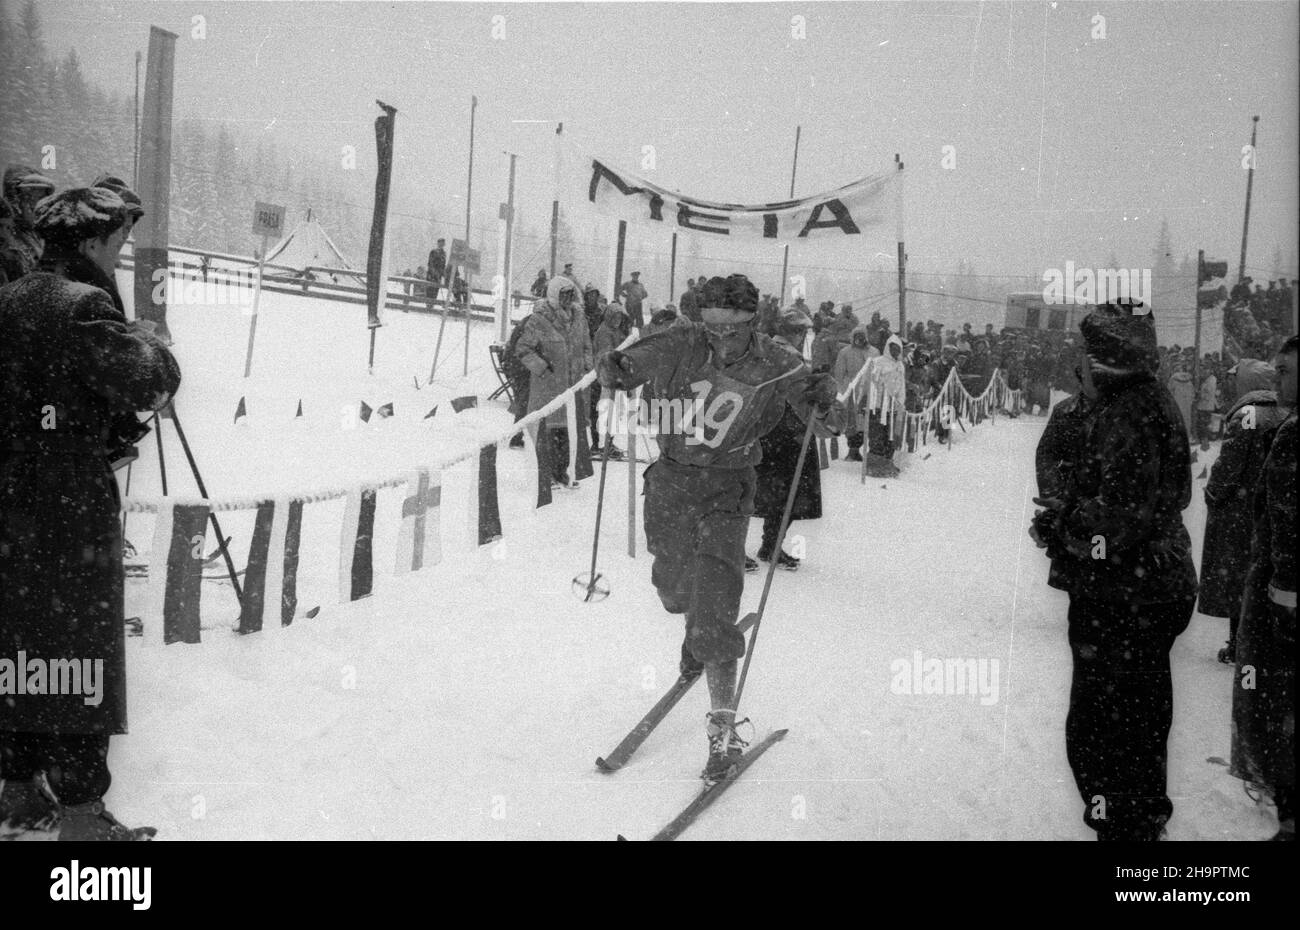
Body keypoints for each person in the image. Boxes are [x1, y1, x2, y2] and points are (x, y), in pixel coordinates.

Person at [595, 273, 840, 783]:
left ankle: (723, 731)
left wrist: (827, 401)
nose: (721, 340)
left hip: (729, 489)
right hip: (670, 483)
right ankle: (695, 632)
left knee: (715, 604)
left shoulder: (778, 361)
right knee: (673, 589)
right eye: (712, 329)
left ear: (754, 322)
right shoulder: (682, 340)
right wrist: (614, 370)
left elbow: (832, 425)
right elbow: (629, 365)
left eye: (733, 330)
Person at [0, 188, 181, 840]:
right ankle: (80, 814)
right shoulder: (84, 308)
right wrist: (152, 341)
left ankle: (17, 789)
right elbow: (147, 383)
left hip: (10, 512)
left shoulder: (10, 298)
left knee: (18, 647)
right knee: (76, 655)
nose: (121, 254)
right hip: (67, 514)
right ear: (97, 241)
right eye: (120, 242)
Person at [1029, 302, 1196, 841]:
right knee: (1138, 721)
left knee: (1106, 726)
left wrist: (1064, 525)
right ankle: (1135, 823)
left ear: (1103, 357)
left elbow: (1117, 523)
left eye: (1087, 349)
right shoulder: (1144, 401)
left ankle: (1126, 833)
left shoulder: (1130, 411)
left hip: (1127, 594)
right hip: (1146, 587)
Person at [1230, 335, 1296, 841]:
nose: (1281, 381)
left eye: (1289, 371)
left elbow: (1286, 525)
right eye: (1277, 371)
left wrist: (1283, 596)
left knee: (1274, 704)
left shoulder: (1292, 433)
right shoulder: (1285, 424)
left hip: (1282, 593)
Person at [1200, 359, 1287, 664]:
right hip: (1276, 510)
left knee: (1240, 579)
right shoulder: (1286, 411)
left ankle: (1239, 643)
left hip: (1241, 511)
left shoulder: (1247, 415)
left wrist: (1213, 493)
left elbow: (1229, 465)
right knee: (1271, 576)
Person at [752, 309, 825, 572]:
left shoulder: (783, 353)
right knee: (778, 495)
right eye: (800, 331)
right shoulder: (782, 355)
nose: (802, 336)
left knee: (779, 496)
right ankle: (767, 544)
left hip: (785, 432)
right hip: (782, 433)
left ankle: (771, 544)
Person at [515, 277, 578, 487]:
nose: (568, 300)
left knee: (564, 433)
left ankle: (561, 471)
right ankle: (545, 473)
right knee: (546, 432)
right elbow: (523, 349)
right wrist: (541, 367)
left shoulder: (573, 320)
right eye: (564, 295)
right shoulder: (538, 320)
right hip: (545, 387)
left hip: (566, 388)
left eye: (570, 295)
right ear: (554, 295)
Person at [859, 334, 907, 477]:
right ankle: (874, 466)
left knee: (890, 436)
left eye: (898, 349)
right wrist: (868, 399)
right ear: (887, 348)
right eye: (892, 348)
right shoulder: (878, 362)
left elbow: (901, 385)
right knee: (877, 436)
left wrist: (900, 403)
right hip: (878, 406)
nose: (895, 351)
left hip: (892, 408)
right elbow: (868, 382)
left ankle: (887, 463)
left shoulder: (900, 365)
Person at [590, 302, 631, 460]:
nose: (618, 319)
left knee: (614, 411)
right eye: (615, 316)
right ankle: (599, 444)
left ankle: (608, 442)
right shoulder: (604, 332)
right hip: (602, 378)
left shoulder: (617, 332)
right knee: (603, 411)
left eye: (620, 316)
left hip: (612, 377)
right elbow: (606, 354)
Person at [2, 166, 56, 278]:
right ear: (14, 201)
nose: (35, 204)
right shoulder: (6, 238)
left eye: (41, 198)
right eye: (28, 197)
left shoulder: (43, 235)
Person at [833, 326, 876, 461]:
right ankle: (853, 450)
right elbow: (839, 374)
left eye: (862, 336)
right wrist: (846, 389)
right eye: (857, 336)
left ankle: (866, 449)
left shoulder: (874, 352)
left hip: (869, 393)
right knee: (853, 422)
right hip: (852, 392)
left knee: (866, 421)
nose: (860, 339)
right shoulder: (845, 352)